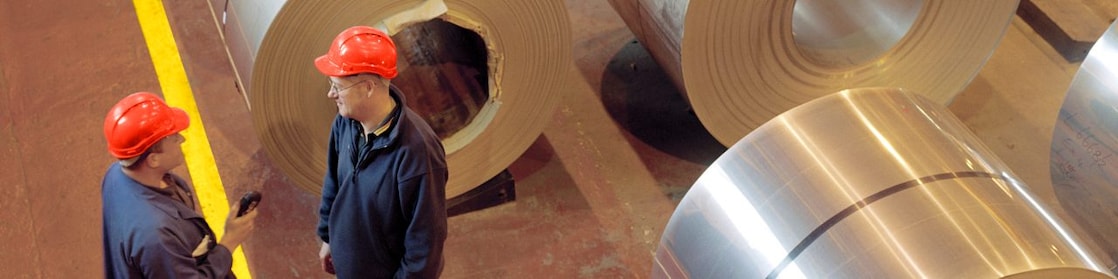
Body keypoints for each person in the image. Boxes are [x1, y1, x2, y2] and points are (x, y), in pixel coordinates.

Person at [314, 25, 449, 278]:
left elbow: (424, 246)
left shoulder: (417, 154)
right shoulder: (345, 123)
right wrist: (328, 237)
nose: (330, 94)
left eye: (337, 86)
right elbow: (333, 183)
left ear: (367, 87)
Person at [101, 92, 258, 278]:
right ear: (153, 159)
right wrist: (229, 242)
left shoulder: (115, 175)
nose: (182, 140)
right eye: (174, 138)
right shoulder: (157, 235)